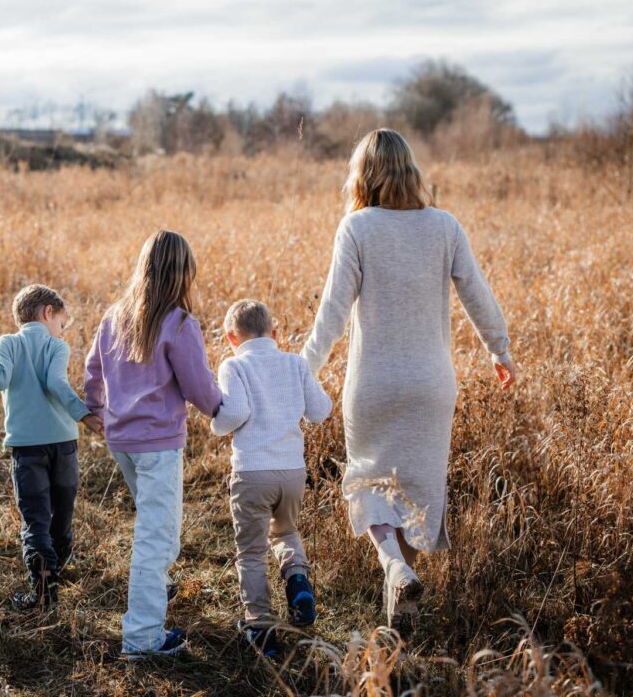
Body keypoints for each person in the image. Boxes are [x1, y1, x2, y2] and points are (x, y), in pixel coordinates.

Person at [301, 128, 516, 635]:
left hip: (374, 383)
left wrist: (301, 370)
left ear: (363, 174)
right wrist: (498, 350)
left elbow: (331, 312)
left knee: (370, 483)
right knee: (415, 491)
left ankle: (394, 568)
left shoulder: (356, 228)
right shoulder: (445, 226)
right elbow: (478, 296)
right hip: (430, 386)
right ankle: (403, 602)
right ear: (410, 170)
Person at [83, 230, 221, 658]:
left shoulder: (115, 317)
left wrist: (96, 409)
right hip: (157, 445)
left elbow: (93, 371)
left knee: (159, 528)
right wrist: (225, 408)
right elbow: (199, 388)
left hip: (121, 439)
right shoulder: (178, 323)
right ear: (182, 275)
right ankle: (142, 637)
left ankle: (155, 588)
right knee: (155, 540)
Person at [0, 284, 103, 611]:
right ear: (47, 312)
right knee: (63, 512)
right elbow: (56, 383)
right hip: (64, 444)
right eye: (61, 322)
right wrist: (84, 415)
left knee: (35, 517)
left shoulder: (7, 343)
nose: (61, 329)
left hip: (27, 448)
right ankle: (56, 568)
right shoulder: (57, 346)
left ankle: (43, 588)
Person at [211, 299, 331, 658]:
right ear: (275, 333)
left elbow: (236, 413)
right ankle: (297, 581)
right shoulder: (295, 363)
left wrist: (217, 424)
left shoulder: (233, 366)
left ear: (231, 336)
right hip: (292, 472)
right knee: (286, 532)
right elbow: (320, 411)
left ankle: (261, 628)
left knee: (251, 551)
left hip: (252, 472)